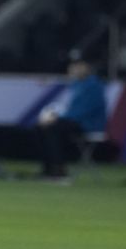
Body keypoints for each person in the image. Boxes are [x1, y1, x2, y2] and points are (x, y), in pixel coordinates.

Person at [36, 50, 107, 179]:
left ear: (87, 67)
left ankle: (59, 169)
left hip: (88, 125)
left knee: (52, 127)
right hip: (75, 121)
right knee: (40, 127)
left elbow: (82, 112)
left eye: (79, 65)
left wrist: (55, 119)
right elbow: (70, 110)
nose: (74, 69)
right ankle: (48, 168)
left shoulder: (94, 85)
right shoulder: (76, 85)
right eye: (73, 66)